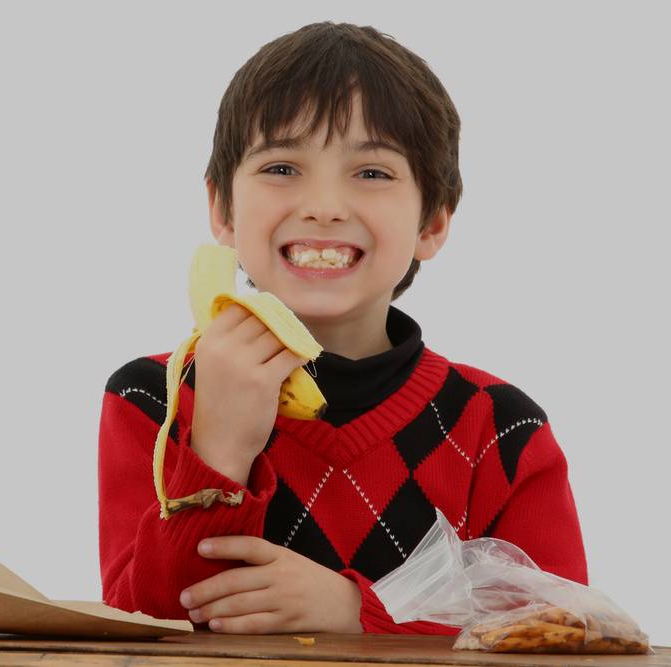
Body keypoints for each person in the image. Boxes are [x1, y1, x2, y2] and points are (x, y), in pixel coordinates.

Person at [97, 21, 587, 635]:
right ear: (222, 208)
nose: (324, 205)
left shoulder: (500, 427)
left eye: (373, 173)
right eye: (281, 168)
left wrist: (359, 615)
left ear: (432, 221)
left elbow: (565, 634)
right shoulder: (152, 399)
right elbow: (138, 632)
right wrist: (217, 451)